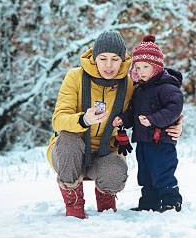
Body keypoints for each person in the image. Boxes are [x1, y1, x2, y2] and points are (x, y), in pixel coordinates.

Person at [47, 31, 183, 219]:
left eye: (115, 59)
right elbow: (58, 119)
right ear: (95, 58)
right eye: (103, 59)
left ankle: (106, 205)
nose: (108, 65)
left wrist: (176, 123)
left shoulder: (129, 83)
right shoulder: (75, 77)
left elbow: (156, 100)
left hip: (104, 152)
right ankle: (74, 206)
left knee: (118, 169)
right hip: (70, 153)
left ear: (123, 60)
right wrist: (84, 120)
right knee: (68, 138)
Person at [113, 35, 184, 212]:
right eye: (138, 67)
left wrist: (153, 120)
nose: (142, 71)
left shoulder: (167, 87)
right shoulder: (140, 89)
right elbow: (134, 111)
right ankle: (149, 201)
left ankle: (171, 200)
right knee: (145, 173)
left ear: (157, 67)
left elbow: (174, 108)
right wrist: (124, 118)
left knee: (162, 170)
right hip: (143, 141)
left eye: (146, 67)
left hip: (161, 140)